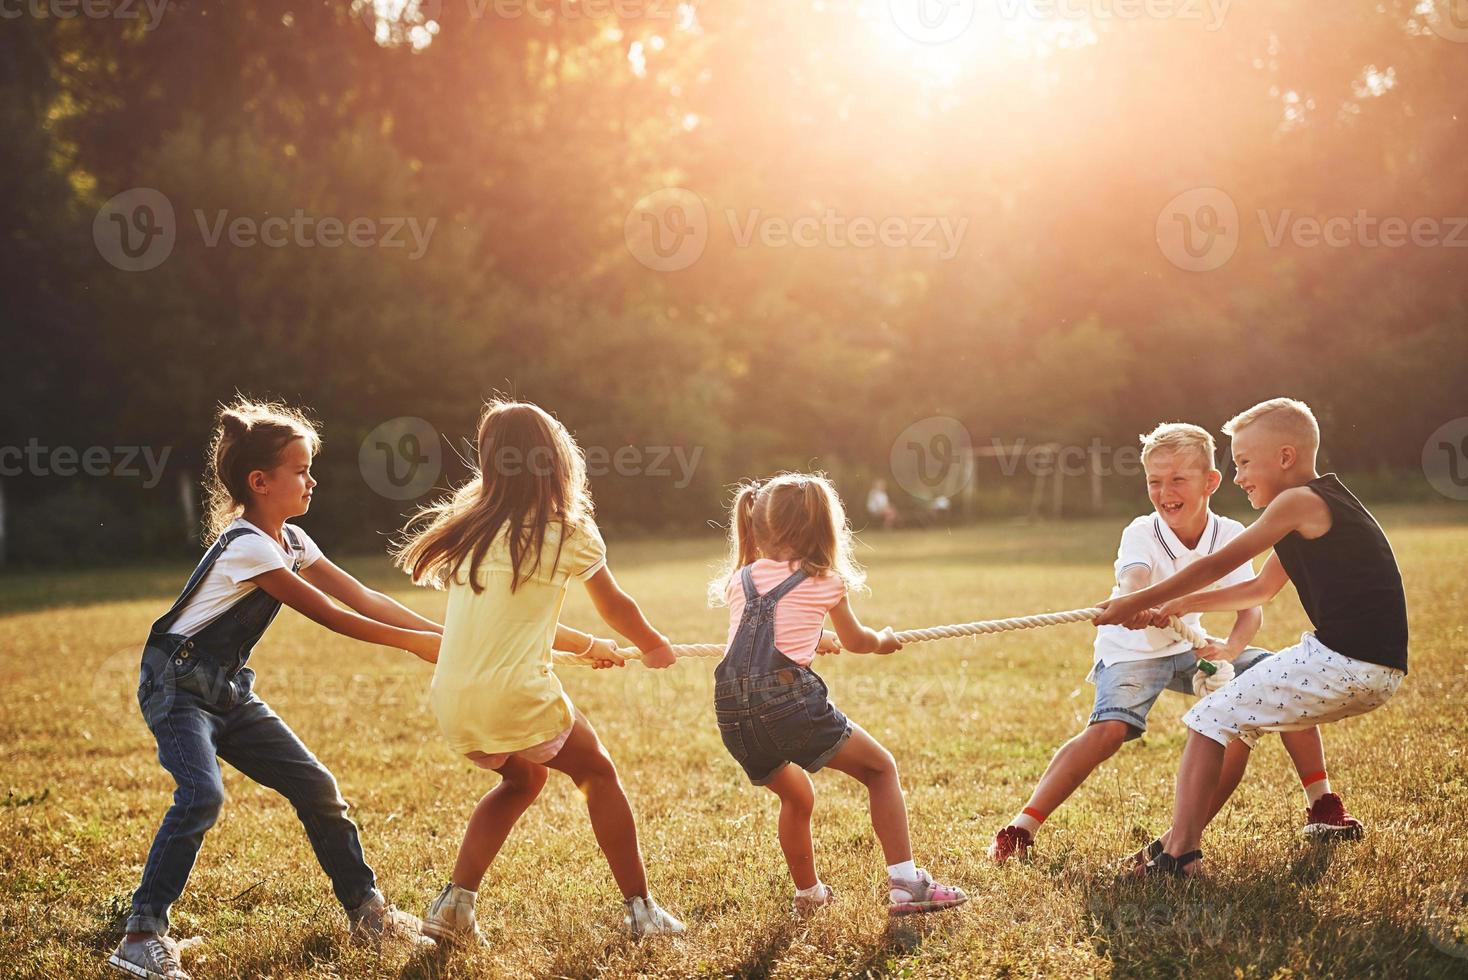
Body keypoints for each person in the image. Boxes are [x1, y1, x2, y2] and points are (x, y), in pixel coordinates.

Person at [111, 398, 439, 980]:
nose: (312, 480)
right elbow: (334, 617)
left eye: (311, 468)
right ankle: (141, 933)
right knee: (201, 795)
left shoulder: (290, 540)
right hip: (176, 686)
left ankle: (368, 913)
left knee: (317, 786)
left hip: (227, 691)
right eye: (301, 470)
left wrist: (443, 635)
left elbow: (364, 599)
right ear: (260, 482)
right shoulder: (249, 548)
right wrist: (413, 646)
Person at [988, 423, 1357, 864]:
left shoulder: (1230, 531)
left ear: (1210, 482)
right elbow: (1134, 579)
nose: (1165, 492)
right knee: (1109, 731)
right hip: (1132, 651)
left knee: (1275, 677)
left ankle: (1322, 803)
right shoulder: (1141, 531)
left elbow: (1251, 606)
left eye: (1178, 480)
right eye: (1154, 482)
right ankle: (1021, 828)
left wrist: (1232, 649)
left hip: (1189, 646)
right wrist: (1134, 601)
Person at [395, 398, 685, 941]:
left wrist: (593, 645)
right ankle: (643, 912)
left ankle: (454, 907)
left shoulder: (470, 529)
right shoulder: (568, 530)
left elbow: (519, 621)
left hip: (455, 698)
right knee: (597, 773)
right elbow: (616, 604)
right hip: (514, 694)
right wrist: (653, 644)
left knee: (521, 778)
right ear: (556, 459)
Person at [1097, 399, 1408, 876]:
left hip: (1345, 661)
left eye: (1243, 462)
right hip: (1376, 670)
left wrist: (1137, 601)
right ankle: (1175, 845)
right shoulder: (1316, 505)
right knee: (1228, 717)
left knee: (1207, 719)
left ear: (1285, 457)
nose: (1238, 476)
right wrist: (1179, 605)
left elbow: (1218, 564)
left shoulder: (1297, 501)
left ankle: (1178, 855)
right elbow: (1261, 587)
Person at [710, 472, 967, 916]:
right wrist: (883, 640)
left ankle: (809, 895)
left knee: (797, 796)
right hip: (787, 704)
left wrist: (813, 638)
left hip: (732, 711)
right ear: (822, 528)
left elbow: (759, 640)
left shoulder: (742, 579)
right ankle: (906, 882)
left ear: (758, 526)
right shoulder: (825, 580)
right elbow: (859, 641)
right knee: (881, 769)